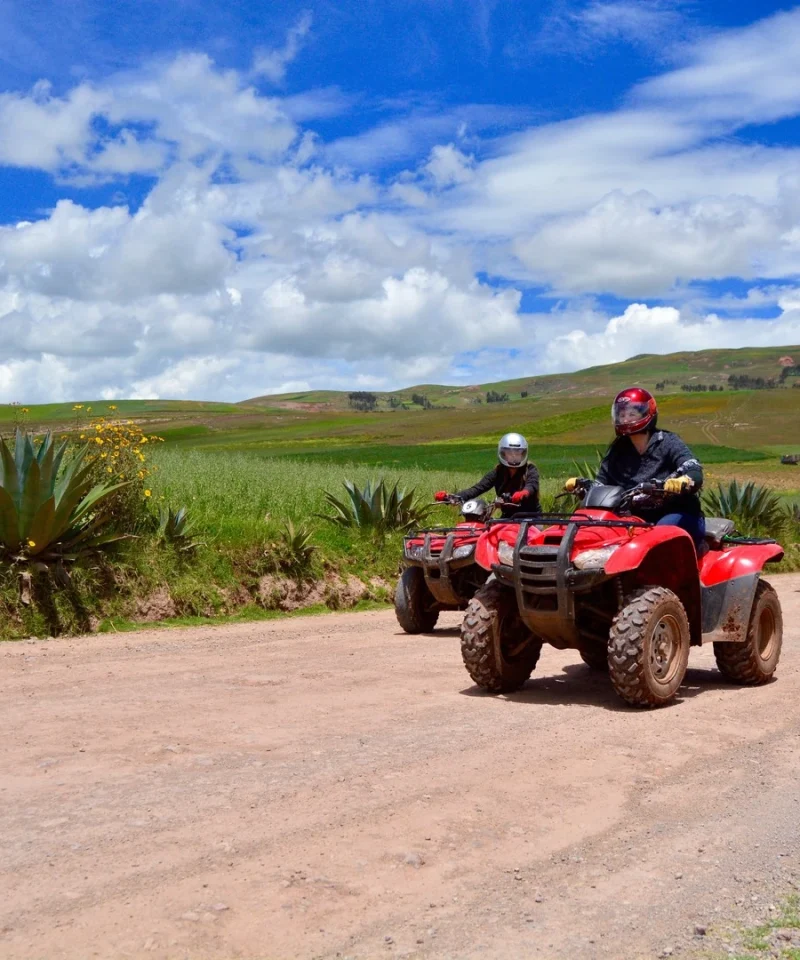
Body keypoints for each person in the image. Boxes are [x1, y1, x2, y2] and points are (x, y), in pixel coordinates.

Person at [565, 387, 706, 549]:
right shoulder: (618, 450)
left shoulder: (668, 442)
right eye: (622, 415)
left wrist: (684, 480)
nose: (626, 419)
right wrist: (583, 486)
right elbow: (601, 484)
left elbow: (692, 467)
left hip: (676, 513)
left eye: (632, 414)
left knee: (659, 535)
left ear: (647, 413)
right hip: (634, 520)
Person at [435, 432, 541, 518]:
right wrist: (452, 497)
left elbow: (532, 485)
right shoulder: (498, 471)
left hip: (531, 518)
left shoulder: (530, 469)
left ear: (523, 454)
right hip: (508, 518)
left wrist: (524, 493)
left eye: (517, 453)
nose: (513, 456)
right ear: (503, 454)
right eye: (510, 453)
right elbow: (477, 488)